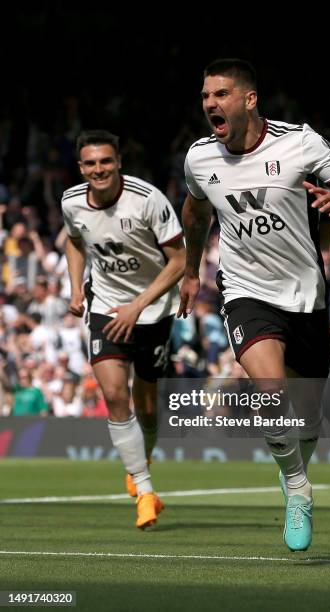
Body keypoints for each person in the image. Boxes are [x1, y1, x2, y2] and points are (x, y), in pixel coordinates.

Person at [178, 58, 330, 551]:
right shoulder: (200, 158)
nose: (210, 105)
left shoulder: (300, 143)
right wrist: (190, 268)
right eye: (206, 96)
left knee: (307, 416)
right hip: (246, 291)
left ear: (249, 100)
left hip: (306, 296)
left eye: (221, 94)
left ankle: (296, 471)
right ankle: (297, 489)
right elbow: (196, 209)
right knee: (269, 389)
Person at [62, 129, 185, 529]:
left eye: (106, 161)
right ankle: (145, 491)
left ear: (118, 163)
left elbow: (179, 260)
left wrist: (138, 305)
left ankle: (141, 459)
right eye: (90, 163)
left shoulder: (148, 199)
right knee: (115, 395)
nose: (99, 169)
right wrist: (75, 285)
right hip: (105, 308)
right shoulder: (71, 202)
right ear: (81, 167)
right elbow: (75, 242)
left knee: (146, 404)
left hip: (153, 310)